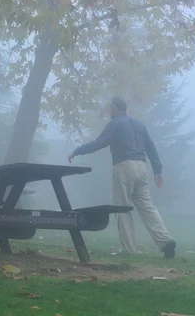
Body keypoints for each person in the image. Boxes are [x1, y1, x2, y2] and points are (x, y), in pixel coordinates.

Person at [68, 96, 176, 259]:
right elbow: (151, 148)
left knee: (122, 208)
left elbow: (99, 143)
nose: (108, 112)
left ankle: (129, 249)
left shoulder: (115, 124)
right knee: (147, 207)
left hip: (124, 166)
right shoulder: (139, 125)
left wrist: (77, 151)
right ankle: (165, 241)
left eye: (109, 109)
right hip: (141, 167)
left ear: (114, 108)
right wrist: (157, 170)